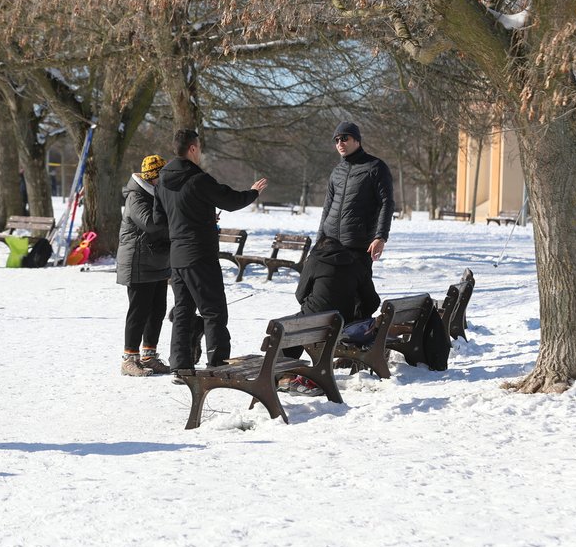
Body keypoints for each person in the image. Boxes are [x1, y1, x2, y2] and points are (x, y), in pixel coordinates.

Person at [153, 129, 267, 381]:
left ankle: (180, 366)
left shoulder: (162, 182)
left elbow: (159, 220)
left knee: (183, 310)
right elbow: (230, 200)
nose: (200, 152)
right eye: (199, 148)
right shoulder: (197, 179)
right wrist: (253, 193)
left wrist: (194, 218)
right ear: (193, 148)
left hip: (177, 256)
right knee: (213, 310)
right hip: (200, 255)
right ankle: (218, 364)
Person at [282, 235, 382, 395]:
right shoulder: (355, 264)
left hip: (314, 319)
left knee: (287, 328)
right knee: (293, 325)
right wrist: (357, 314)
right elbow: (373, 301)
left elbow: (300, 294)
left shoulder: (314, 260)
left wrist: (312, 304)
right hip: (343, 322)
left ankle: (284, 376)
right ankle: (287, 375)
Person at [116, 154, 172, 377]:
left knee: (157, 310)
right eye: (162, 176)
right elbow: (150, 224)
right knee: (139, 311)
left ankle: (149, 355)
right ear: (152, 177)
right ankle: (129, 358)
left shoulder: (158, 194)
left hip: (157, 260)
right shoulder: (137, 197)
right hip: (138, 260)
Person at [319, 121, 394, 265]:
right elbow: (327, 209)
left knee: (357, 287)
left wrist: (381, 237)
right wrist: (319, 242)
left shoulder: (376, 167)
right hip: (330, 244)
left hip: (358, 246)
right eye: (337, 140)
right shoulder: (336, 172)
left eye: (345, 138)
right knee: (315, 285)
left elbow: (387, 203)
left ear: (357, 140)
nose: (340, 143)